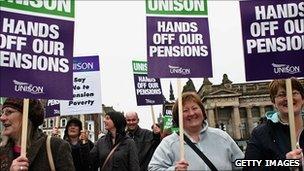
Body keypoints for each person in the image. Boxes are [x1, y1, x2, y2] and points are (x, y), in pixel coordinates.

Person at [148, 92, 244, 170]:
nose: (191, 113)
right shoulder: (168, 143)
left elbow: (241, 163)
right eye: (185, 110)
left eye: (194, 108)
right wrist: (174, 170)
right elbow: (153, 169)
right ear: (178, 117)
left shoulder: (222, 136)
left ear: (202, 111)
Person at [245, 78, 304, 170]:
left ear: (303, 99)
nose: (288, 98)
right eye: (282, 95)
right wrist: (284, 163)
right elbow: (250, 168)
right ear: (274, 102)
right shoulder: (261, 134)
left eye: (294, 93)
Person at [0, 98, 74, 171]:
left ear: (27, 117)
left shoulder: (56, 147)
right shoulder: (2, 150)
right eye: (2, 113)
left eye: (9, 112)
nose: (2, 118)